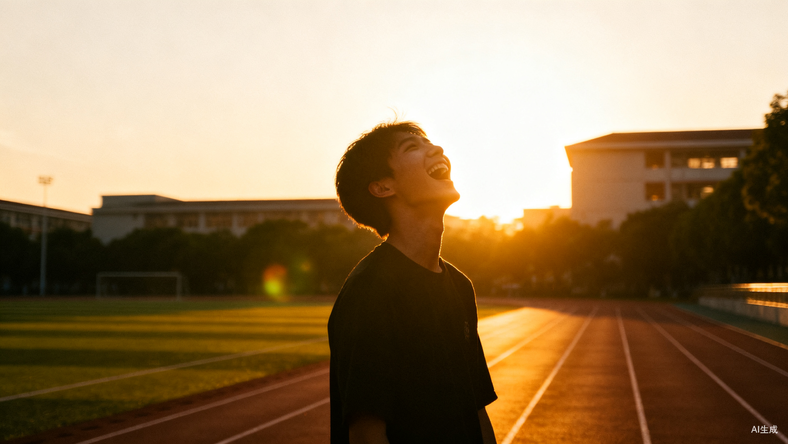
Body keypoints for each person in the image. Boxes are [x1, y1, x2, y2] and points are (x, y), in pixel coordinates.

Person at [328, 120, 497, 444]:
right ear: (382, 187)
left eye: (429, 142)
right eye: (412, 146)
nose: (437, 149)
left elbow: (476, 410)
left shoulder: (460, 287)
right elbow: (367, 433)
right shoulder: (371, 291)